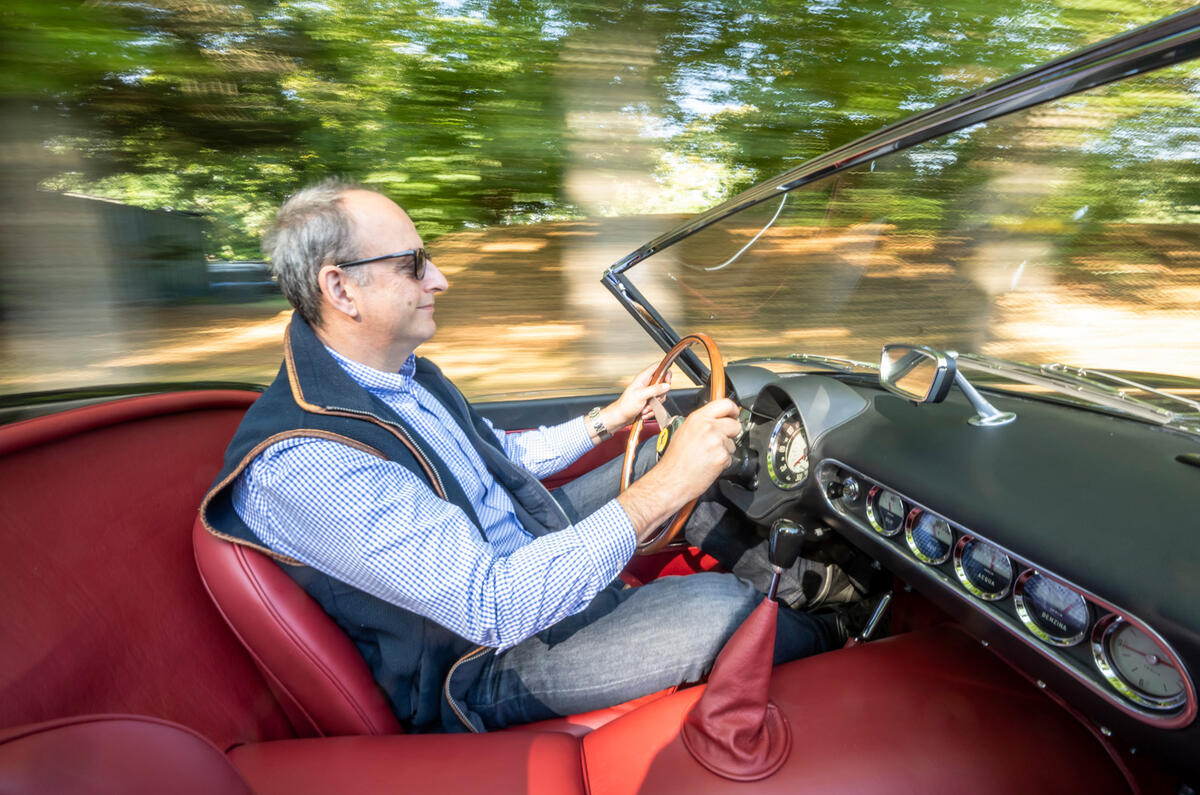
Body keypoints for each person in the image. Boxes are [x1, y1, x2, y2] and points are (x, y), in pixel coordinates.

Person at [199, 178, 833, 733]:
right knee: (726, 609)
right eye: (414, 264)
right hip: (480, 659)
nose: (439, 279)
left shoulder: (402, 377)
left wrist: (608, 420)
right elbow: (491, 605)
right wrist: (664, 490)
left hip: (519, 550)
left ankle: (806, 586)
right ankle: (846, 637)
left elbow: (497, 458)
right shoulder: (312, 462)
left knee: (661, 453)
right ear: (340, 288)